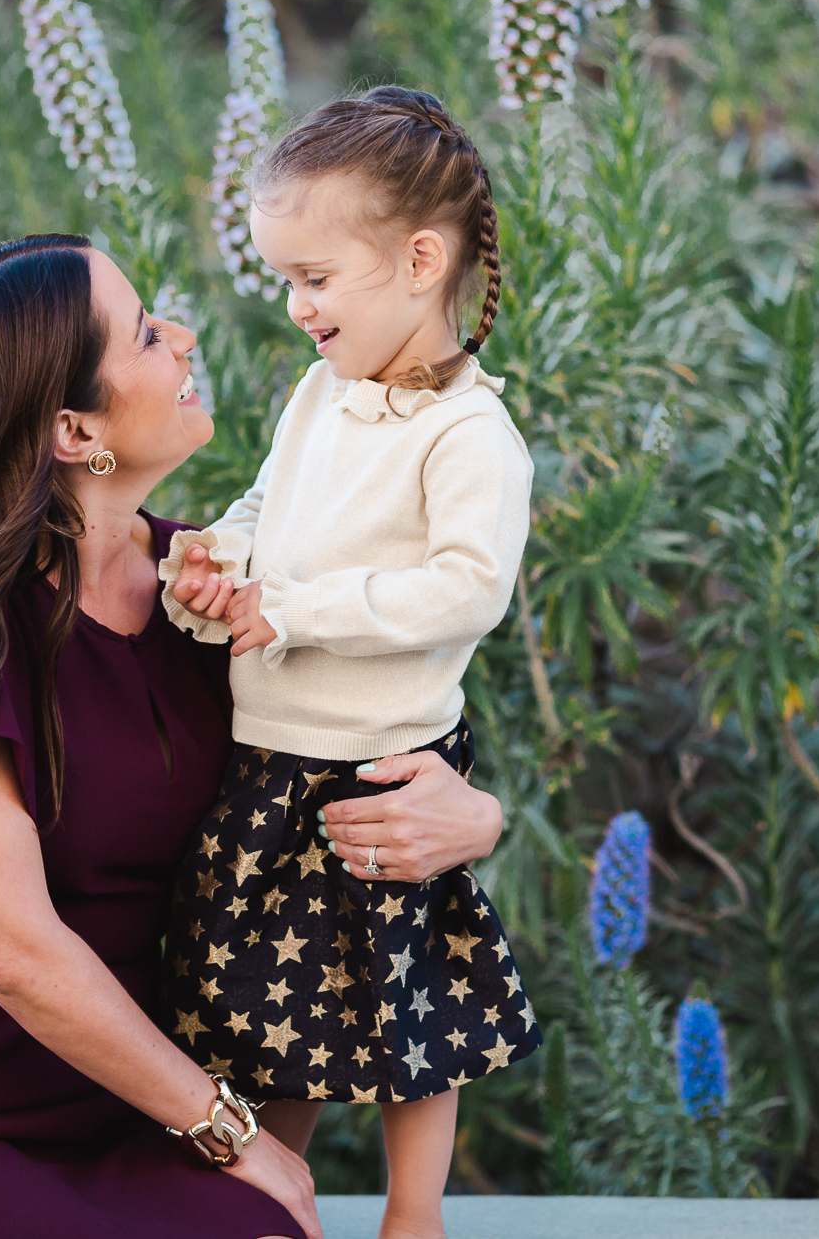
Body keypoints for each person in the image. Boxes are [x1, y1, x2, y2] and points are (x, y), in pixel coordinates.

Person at [0, 234, 507, 1239]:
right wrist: (228, 1130)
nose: (184, 338)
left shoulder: (206, 593)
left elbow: (357, 755)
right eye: (146, 332)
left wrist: (468, 815)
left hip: (126, 1120)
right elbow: (13, 950)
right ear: (72, 429)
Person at [156, 87, 539, 1239]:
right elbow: (268, 506)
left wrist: (295, 610)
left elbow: (466, 588)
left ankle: (412, 1216)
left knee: (403, 1015)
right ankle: (272, 1196)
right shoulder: (318, 394)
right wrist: (213, 560)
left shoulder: (468, 436)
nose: (295, 307)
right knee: (275, 1012)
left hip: (381, 771)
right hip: (271, 762)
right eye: (286, 278)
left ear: (420, 260)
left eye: (315, 278)